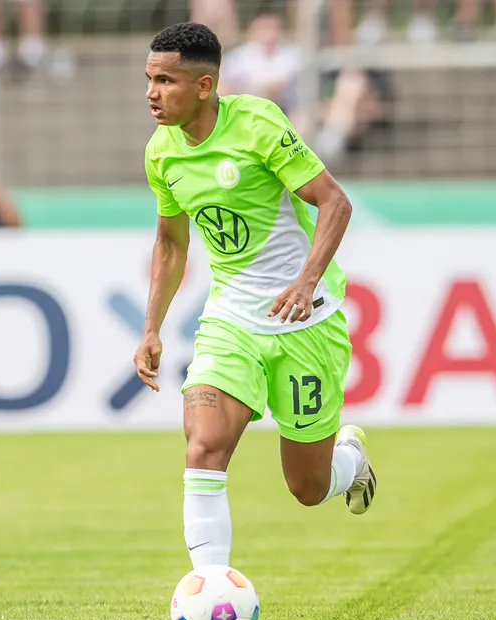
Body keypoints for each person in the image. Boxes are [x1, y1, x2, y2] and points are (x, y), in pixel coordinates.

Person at [135, 22, 376, 571]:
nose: (151, 92)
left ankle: (350, 461)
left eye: (165, 80)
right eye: (148, 79)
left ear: (203, 86)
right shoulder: (161, 153)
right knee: (203, 447)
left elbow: (334, 202)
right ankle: (209, 587)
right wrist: (151, 327)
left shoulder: (257, 123)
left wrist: (307, 279)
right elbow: (171, 246)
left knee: (308, 487)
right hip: (231, 319)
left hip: (305, 322)